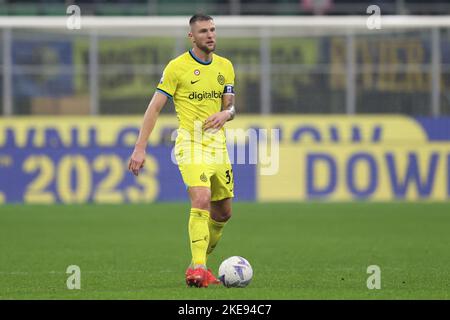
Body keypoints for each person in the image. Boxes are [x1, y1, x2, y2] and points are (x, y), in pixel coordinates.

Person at [128, 13, 236, 288]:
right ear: (192, 36)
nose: (210, 35)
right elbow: (154, 107)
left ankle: (199, 262)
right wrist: (140, 148)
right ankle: (198, 268)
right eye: (203, 31)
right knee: (201, 198)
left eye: (212, 30)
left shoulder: (225, 66)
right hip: (190, 144)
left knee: (223, 213)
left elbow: (230, 107)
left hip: (218, 147)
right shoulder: (177, 67)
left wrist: (226, 115)